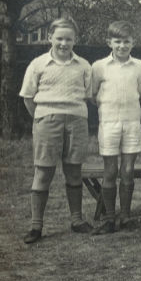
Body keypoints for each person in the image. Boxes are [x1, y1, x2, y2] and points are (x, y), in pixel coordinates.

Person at [20, 17, 94, 243]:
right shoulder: (38, 64)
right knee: (44, 172)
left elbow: (88, 95)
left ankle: (77, 220)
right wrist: (43, 118)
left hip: (77, 120)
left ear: (75, 40)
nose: (63, 43)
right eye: (59, 38)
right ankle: (36, 226)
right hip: (47, 120)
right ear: (50, 37)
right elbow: (27, 98)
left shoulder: (83, 65)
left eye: (68, 39)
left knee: (73, 171)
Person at [91, 21, 141, 234]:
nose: (122, 45)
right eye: (118, 41)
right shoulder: (99, 66)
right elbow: (94, 95)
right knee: (110, 171)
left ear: (133, 43)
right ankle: (109, 218)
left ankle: (125, 216)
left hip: (132, 123)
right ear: (109, 42)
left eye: (126, 41)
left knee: (128, 170)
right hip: (109, 123)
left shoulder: (139, 66)